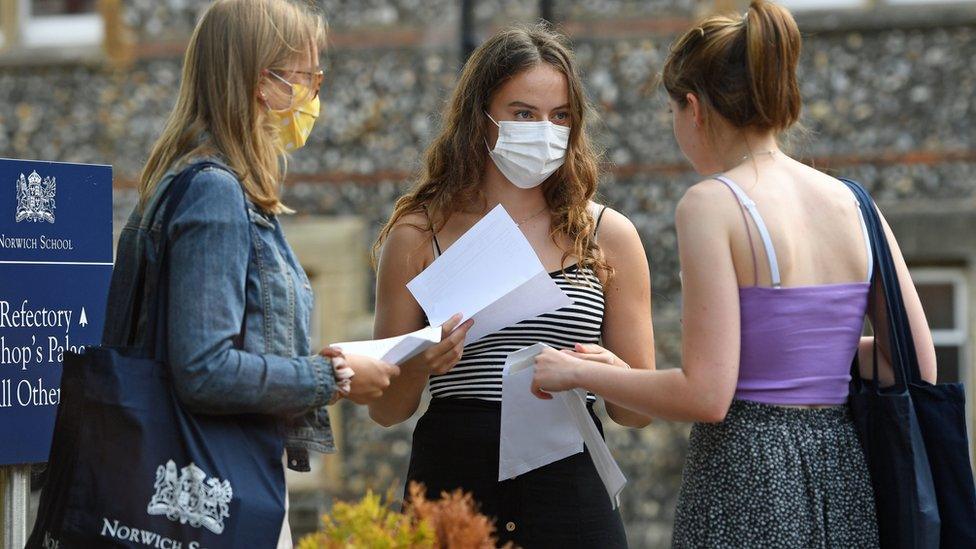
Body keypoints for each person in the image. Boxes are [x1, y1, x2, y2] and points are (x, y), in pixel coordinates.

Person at [529, 2, 937, 547]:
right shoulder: (854, 204)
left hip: (748, 476)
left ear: (693, 108)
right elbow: (915, 364)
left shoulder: (713, 204)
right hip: (842, 475)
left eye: (672, 112)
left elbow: (707, 395)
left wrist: (580, 373)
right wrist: (810, 348)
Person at [100, 1, 399, 545]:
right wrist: (333, 377)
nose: (313, 94)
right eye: (308, 76)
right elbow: (204, 369)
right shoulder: (215, 193)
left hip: (205, 484)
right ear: (267, 83)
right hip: (208, 493)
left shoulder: (201, 184)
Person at [369, 24, 654, 548]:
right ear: (480, 119)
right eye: (524, 113)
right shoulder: (419, 233)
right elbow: (386, 409)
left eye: (560, 116)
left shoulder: (606, 233)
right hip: (455, 485)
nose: (544, 130)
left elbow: (637, 412)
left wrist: (610, 373)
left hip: (568, 485)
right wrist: (420, 362)